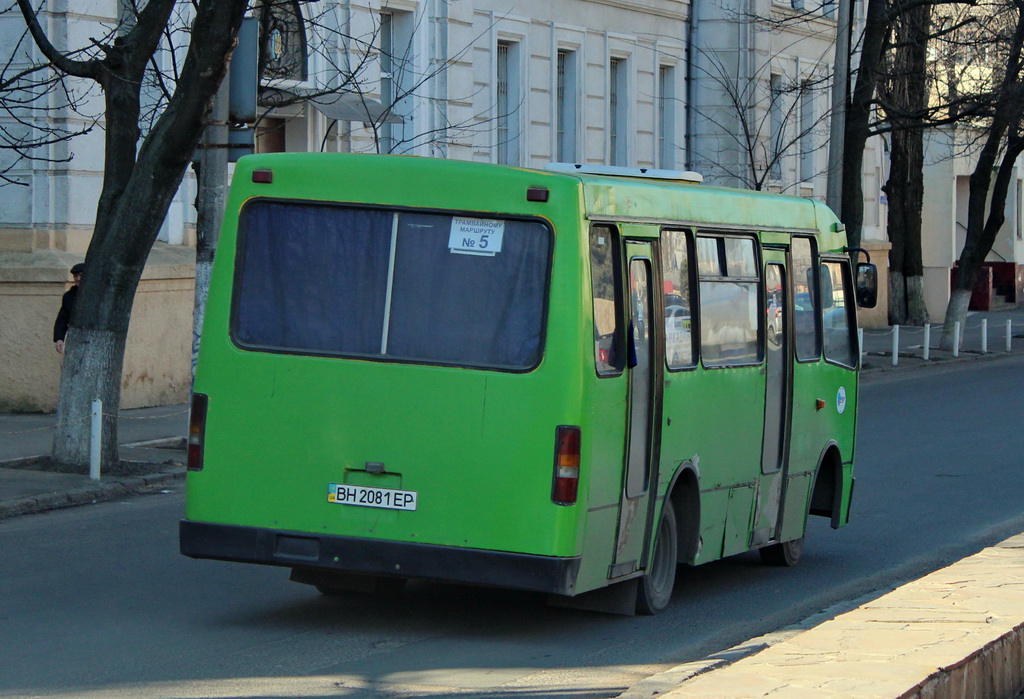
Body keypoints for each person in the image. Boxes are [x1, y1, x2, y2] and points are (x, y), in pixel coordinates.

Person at [53, 263, 84, 354]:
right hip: (76, 337)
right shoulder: (69, 296)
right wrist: (59, 338)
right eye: (75, 276)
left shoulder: (99, 295)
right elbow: (63, 318)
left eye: (81, 275)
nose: (78, 278)